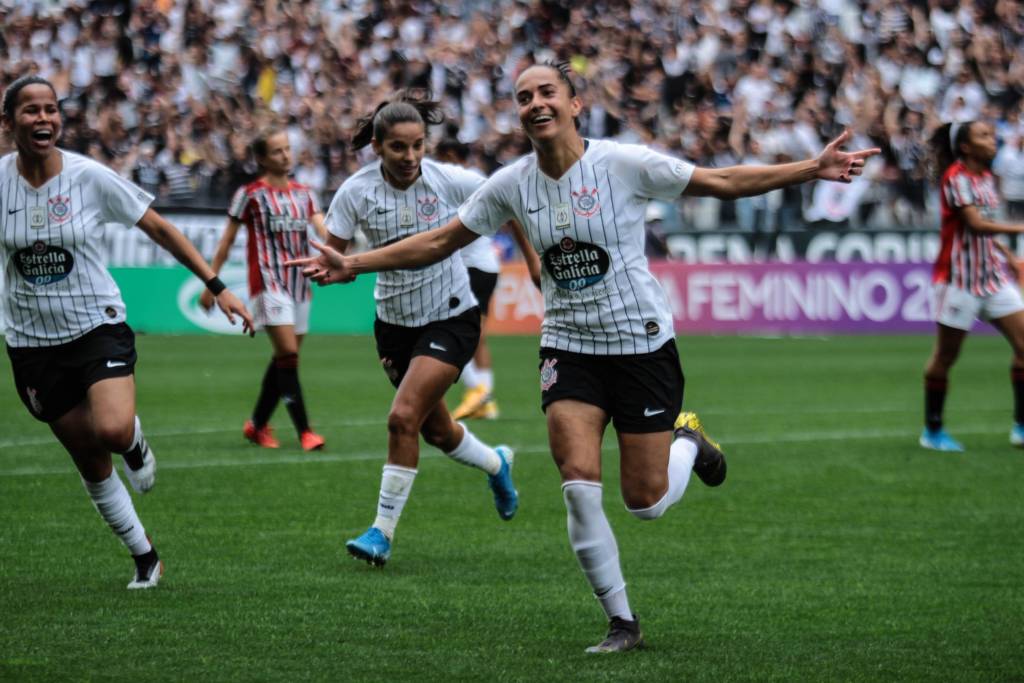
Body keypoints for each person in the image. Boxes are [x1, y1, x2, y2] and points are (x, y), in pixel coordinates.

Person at [288, 63, 879, 651]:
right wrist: (354, 263)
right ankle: (622, 622)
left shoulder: (624, 163)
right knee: (576, 483)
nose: (536, 102)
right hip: (568, 347)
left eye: (547, 92)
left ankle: (688, 441)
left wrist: (812, 169)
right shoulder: (511, 182)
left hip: (640, 343)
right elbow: (442, 241)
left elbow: (721, 180)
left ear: (574, 103)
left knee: (644, 503)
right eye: (524, 97)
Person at [0, 76, 253, 589]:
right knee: (90, 460)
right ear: (9, 124)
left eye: (51, 109)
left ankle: (134, 442)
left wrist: (217, 284)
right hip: (30, 342)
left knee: (112, 431)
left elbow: (159, 228)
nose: (43, 119)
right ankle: (145, 557)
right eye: (30, 111)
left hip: (96, 324)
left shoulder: (90, 177)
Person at [321, 93, 519, 567]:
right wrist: (333, 269)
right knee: (436, 430)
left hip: (451, 316)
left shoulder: (448, 180)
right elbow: (336, 257)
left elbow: (508, 200)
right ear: (377, 146)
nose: (410, 157)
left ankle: (381, 534)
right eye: (398, 148)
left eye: (417, 146)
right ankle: (497, 463)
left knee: (401, 417)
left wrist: (533, 264)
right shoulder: (355, 192)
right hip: (393, 325)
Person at [200, 128, 328, 451]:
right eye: (277, 151)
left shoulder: (305, 193)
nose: (286, 156)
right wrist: (211, 283)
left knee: (286, 359)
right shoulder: (251, 194)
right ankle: (305, 432)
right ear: (261, 158)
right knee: (287, 353)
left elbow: (324, 228)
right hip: (268, 283)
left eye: (287, 149)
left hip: (301, 283)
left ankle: (257, 425)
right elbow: (227, 240)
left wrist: (339, 249)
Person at [920, 120, 1024, 451]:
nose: (992, 141)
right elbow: (975, 224)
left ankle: (1020, 427)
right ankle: (932, 431)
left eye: (991, 135)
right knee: (946, 357)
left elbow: (985, 231)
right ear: (965, 147)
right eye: (984, 136)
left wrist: (1006, 253)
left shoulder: (987, 179)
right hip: (958, 282)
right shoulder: (956, 177)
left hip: (992, 279)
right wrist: (1018, 229)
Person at [434, 137, 541, 420]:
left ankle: (479, 391)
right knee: (476, 335)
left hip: (475, 267)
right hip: (476, 267)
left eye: (440, 156)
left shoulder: (469, 180)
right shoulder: (451, 183)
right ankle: (486, 400)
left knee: (454, 332)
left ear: (450, 155)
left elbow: (510, 213)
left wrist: (530, 256)